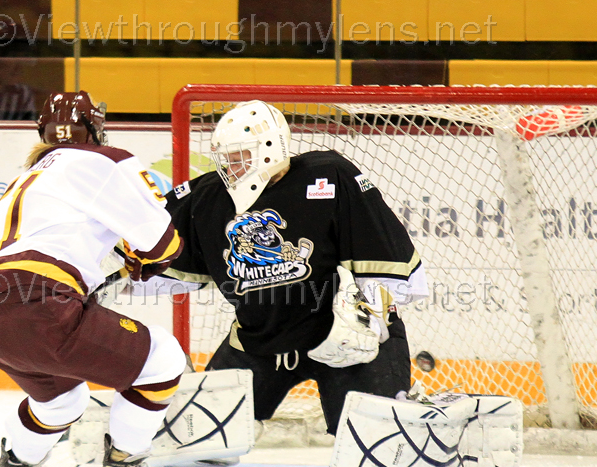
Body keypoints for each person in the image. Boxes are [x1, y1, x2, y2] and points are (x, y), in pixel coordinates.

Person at [0, 91, 185, 467]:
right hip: (42, 304)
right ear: (96, 129)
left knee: (62, 400)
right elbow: (161, 242)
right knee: (163, 360)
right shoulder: (105, 159)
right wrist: (142, 261)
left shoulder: (25, 178)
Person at [156, 100, 429, 441]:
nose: (230, 167)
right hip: (261, 344)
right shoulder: (209, 197)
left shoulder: (330, 176)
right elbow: (148, 250)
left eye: (239, 156)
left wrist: (369, 318)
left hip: (348, 345)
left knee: (377, 445)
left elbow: (388, 261)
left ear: (271, 149)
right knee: (197, 438)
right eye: (225, 158)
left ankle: (412, 406)